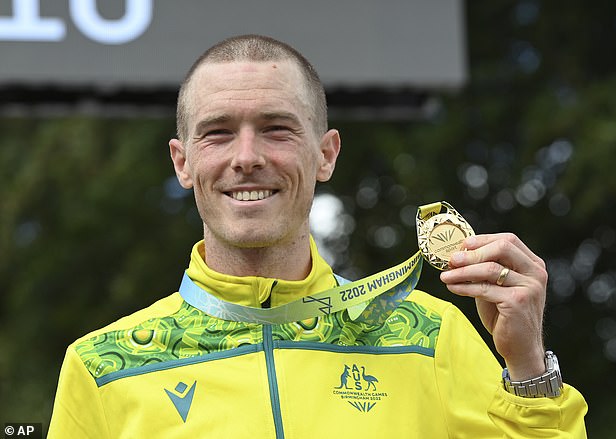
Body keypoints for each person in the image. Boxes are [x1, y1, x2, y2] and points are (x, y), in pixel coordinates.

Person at [48, 34, 587, 438]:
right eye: (217, 133)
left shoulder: (431, 337)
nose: (247, 158)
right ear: (183, 161)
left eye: (277, 129)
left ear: (325, 154)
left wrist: (528, 369)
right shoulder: (100, 369)